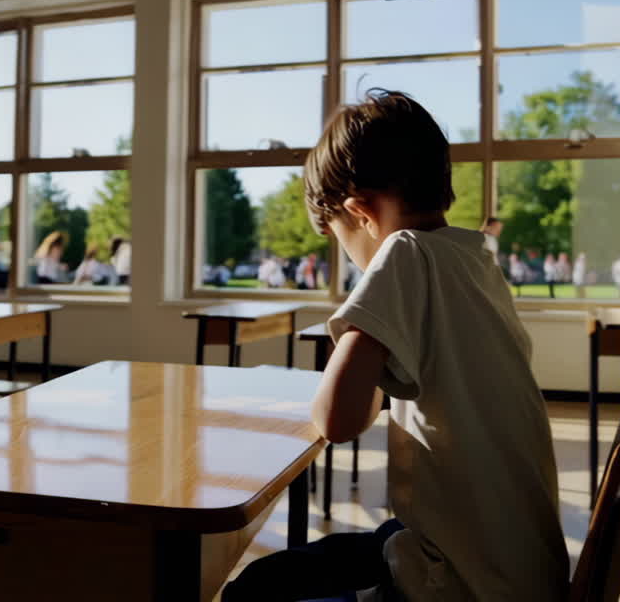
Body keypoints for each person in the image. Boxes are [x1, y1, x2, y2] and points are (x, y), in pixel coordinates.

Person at [223, 91, 567, 601]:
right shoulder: (476, 258)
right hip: (517, 563)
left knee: (254, 591)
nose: (356, 260)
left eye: (342, 238)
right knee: (320, 560)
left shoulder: (404, 250)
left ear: (362, 213)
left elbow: (336, 421)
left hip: (461, 579)